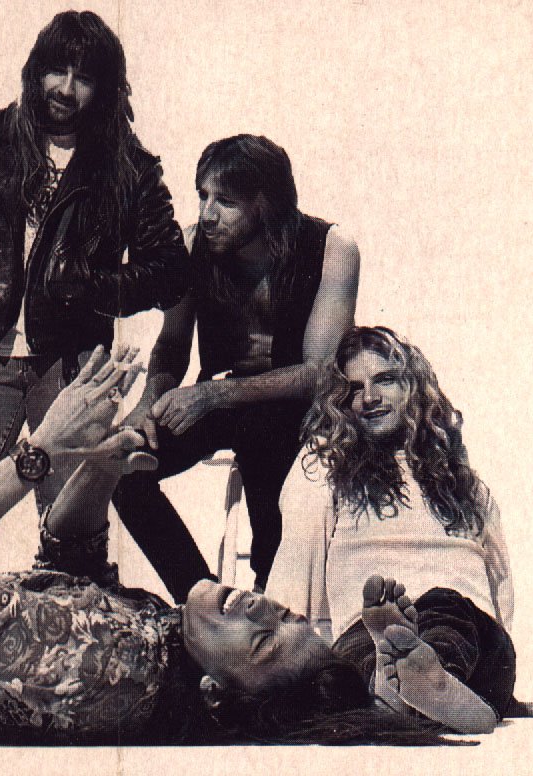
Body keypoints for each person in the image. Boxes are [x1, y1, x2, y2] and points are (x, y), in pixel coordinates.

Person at [0, 346, 389, 745]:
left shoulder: (110, 668)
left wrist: (38, 451)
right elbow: (69, 569)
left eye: (261, 641)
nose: (259, 606)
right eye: (286, 614)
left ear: (216, 694)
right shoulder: (163, 648)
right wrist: (99, 469)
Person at [0, 10, 188, 513]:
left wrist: (90, 284)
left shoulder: (129, 166)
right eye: (58, 70)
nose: (66, 89)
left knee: (70, 531)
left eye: (84, 78)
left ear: (105, 88)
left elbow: (169, 270)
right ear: (36, 69)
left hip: (74, 369)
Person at [113, 135, 360, 601]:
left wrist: (213, 395)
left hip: (299, 408)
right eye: (202, 196)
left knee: (263, 430)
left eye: (224, 201)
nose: (207, 213)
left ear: (265, 204)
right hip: (224, 399)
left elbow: (319, 374)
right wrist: (147, 404)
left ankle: (272, 590)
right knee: (122, 466)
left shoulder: (332, 247)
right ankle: (203, 600)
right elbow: (172, 346)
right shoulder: (191, 244)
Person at [266, 326, 518, 732]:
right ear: (340, 402)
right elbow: (295, 568)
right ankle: (403, 688)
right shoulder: (325, 465)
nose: (369, 397)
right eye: (354, 389)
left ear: (412, 387)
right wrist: (282, 672)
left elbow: (499, 585)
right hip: (368, 631)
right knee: (363, 646)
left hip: (472, 636)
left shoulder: (460, 478)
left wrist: (509, 692)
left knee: (444, 607)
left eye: (384, 380)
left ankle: (423, 684)